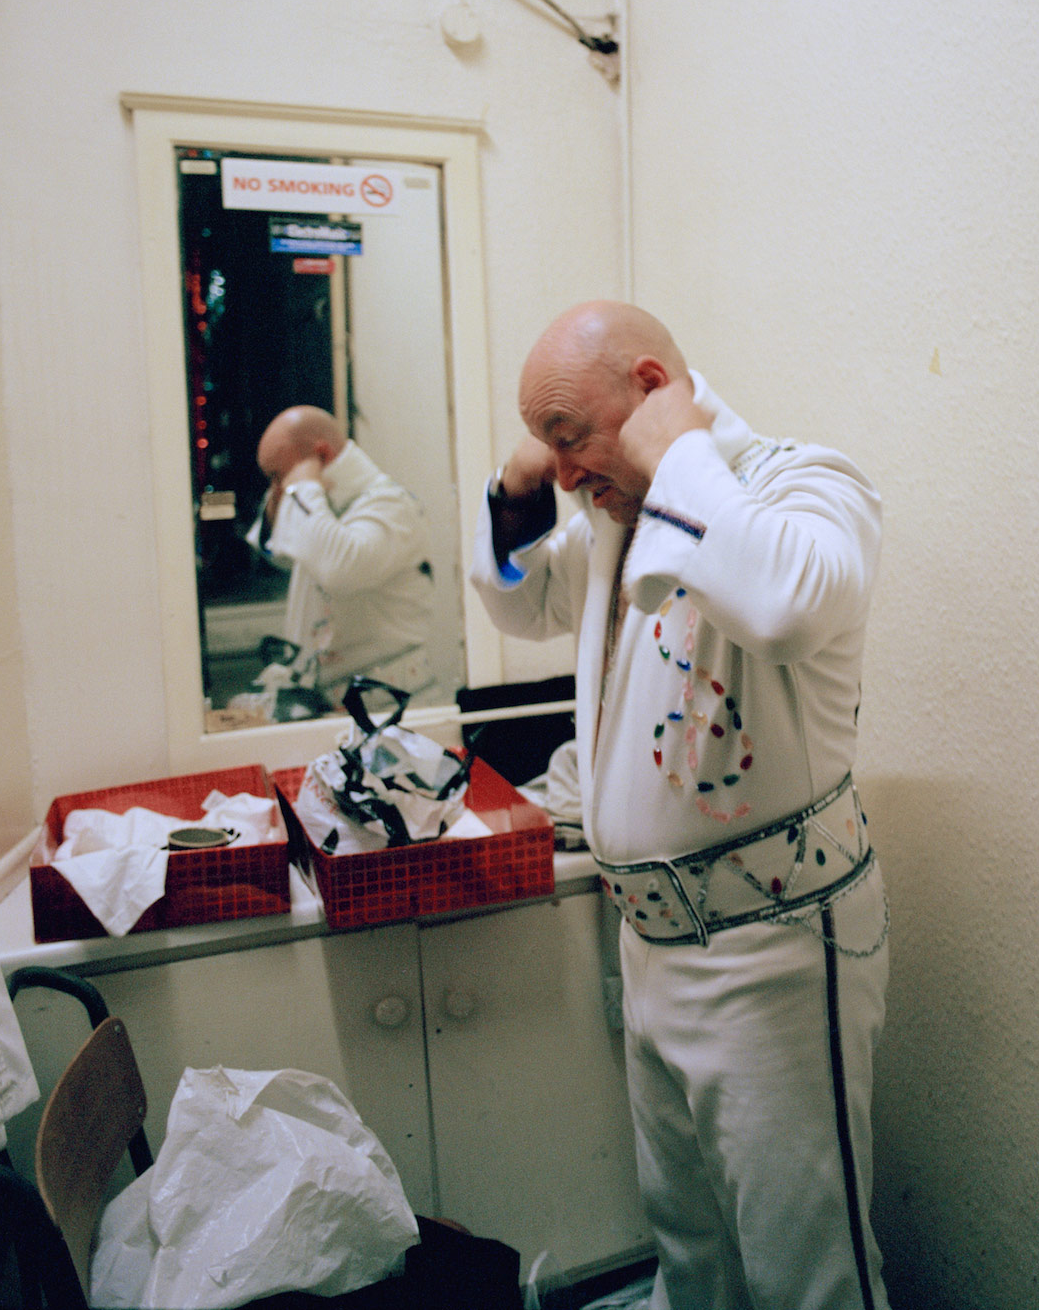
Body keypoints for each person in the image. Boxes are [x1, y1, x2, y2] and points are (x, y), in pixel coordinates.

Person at [472, 301, 891, 1310]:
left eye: (571, 439)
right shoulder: (620, 524)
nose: (568, 472)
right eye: (551, 447)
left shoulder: (801, 484)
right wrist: (522, 489)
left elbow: (787, 603)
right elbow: (521, 602)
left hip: (772, 950)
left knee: (804, 1264)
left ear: (651, 388)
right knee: (690, 1244)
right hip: (651, 949)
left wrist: (680, 447)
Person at [246, 405, 436, 704]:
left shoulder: (391, 504)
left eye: (279, 475)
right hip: (337, 702)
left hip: (388, 707)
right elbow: (277, 552)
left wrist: (304, 488)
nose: (278, 488)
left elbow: (340, 569)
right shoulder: (324, 503)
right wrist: (287, 500)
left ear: (322, 455)